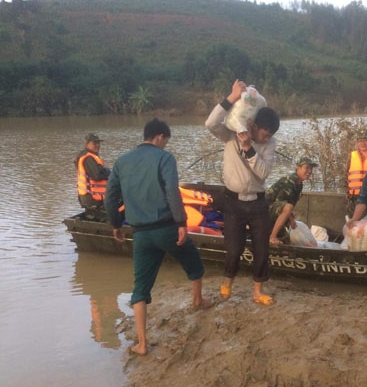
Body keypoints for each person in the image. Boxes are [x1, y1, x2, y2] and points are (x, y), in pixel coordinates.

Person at [104, 118, 210, 356]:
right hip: (166, 228)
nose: (165, 145)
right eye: (165, 141)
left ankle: (142, 343)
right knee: (193, 261)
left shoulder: (122, 162)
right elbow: (172, 191)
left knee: (140, 288)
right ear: (160, 137)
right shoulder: (165, 158)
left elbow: (110, 198)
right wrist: (181, 223)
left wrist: (115, 224)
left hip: (140, 233)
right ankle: (197, 301)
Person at [205, 79, 280, 306]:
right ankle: (228, 281)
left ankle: (258, 291)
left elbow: (263, 173)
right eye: (264, 134)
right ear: (253, 125)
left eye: (269, 136)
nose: (265, 139)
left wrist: (249, 148)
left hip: (257, 203)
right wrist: (231, 98)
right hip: (233, 202)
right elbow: (210, 123)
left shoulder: (269, 144)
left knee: (261, 249)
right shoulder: (230, 134)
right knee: (234, 248)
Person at [266, 156, 318, 245]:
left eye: (311, 169)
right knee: (288, 208)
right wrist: (290, 219)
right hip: (263, 210)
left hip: (272, 210)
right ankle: (272, 237)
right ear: (298, 168)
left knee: (286, 239)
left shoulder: (299, 183)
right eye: (306, 168)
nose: (309, 171)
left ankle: (274, 236)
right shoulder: (290, 181)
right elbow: (281, 203)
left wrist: (291, 217)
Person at [75, 133, 111, 221]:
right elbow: (97, 175)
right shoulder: (88, 158)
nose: (97, 145)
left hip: (91, 198)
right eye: (94, 143)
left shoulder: (89, 156)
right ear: (87, 144)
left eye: (98, 143)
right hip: (93, 199)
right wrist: (109, 172)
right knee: (115, 213)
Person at [346, 128, 367, 217]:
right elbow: (346, 177)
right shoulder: (352, 156)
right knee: (354, 227)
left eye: (365, 140)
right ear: (357, 142)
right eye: (360, 141)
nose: (363, 144)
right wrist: (347, 194)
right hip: (354, 199)